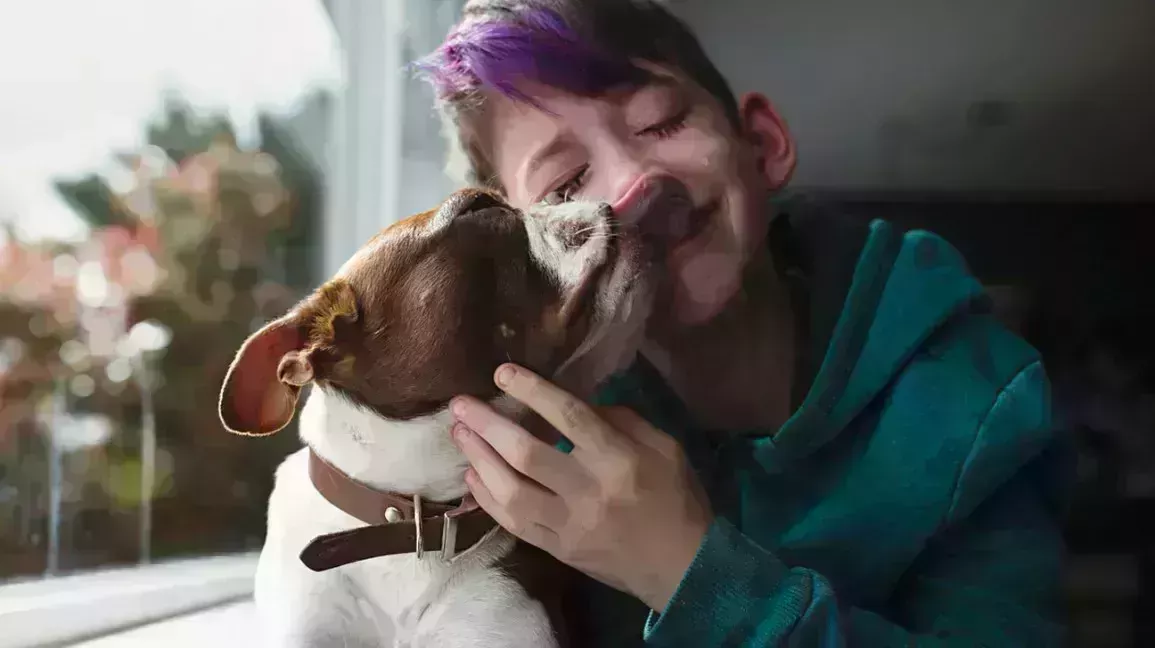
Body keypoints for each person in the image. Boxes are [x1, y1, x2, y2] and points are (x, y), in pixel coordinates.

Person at [416, 1, 1070, 645]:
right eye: (565, 185)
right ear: (530, 268)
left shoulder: (978, 404)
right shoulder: (524, 441)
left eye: (660, 122)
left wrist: (687, 576)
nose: (635, 183)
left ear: (760, 144)